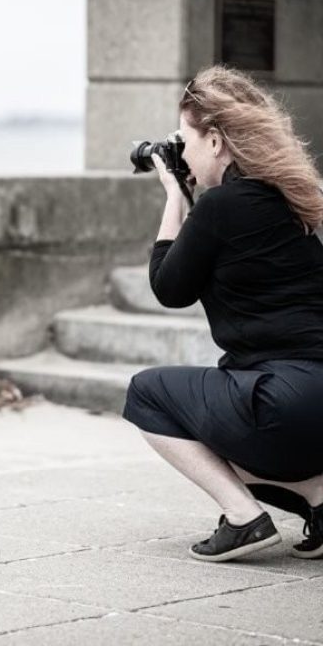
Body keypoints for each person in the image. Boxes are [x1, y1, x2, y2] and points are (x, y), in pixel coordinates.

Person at [123, 64, 323, 563]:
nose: (184, 152)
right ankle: (321, 500)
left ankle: (244, 518)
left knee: (150, 394)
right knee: (223, 394)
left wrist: (175, 197)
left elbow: (168, 288)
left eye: (187, 139)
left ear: (215, 141)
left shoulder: (222, 207)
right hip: (314, 397)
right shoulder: (294, 199)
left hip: (289, 404)